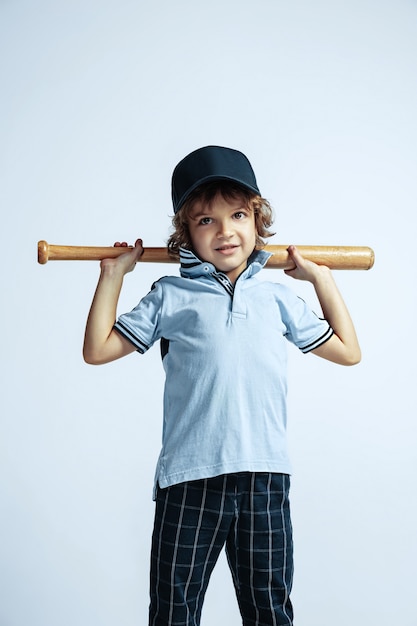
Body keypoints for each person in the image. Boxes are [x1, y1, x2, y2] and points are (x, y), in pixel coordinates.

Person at [83, 145, 361, 626]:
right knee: (173, 612)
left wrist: (320, 280)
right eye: (206, 221)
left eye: (237, 215)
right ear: (186, 234)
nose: (226, 231)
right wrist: (113, 276)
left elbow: (347, 350)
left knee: (269, 611)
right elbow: (99, 349)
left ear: (258, 221)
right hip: (189, 479)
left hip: (264, 476)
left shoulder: (277, 298)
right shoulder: (170, 295)